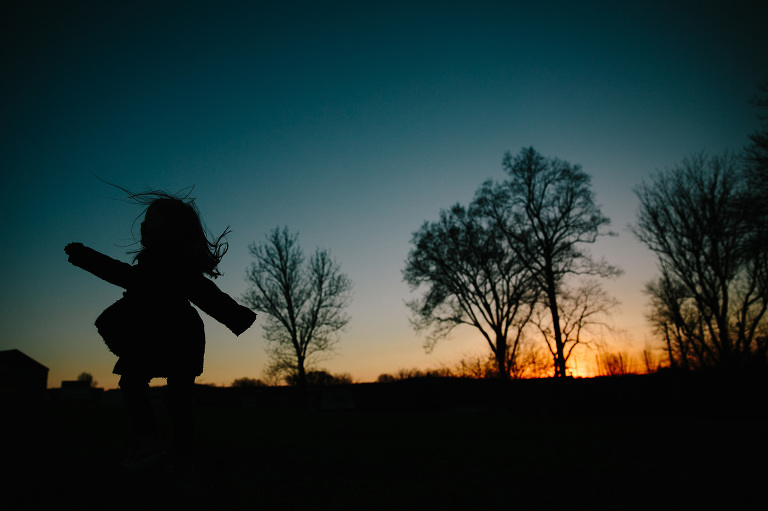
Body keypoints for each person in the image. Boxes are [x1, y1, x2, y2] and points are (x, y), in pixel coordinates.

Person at [65, 188, 256, 471]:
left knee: (175, 394)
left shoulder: (176, 265)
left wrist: (236, 316)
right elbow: (123, 274)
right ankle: (155, 444)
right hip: (151, 334)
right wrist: (85, 256)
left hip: (179, 334)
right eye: (145, 219)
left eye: (153, 219)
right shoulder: (151, 265)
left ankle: (174, 450)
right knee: (136, 383)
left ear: (175, 228)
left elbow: (204, 292)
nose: (144, 223)